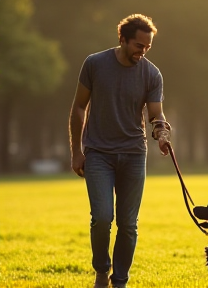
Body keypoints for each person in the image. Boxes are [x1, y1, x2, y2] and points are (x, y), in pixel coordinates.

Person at [68, 14, 171, 288]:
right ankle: (102, 270)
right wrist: (76, 151)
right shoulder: (94, 64)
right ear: (123, 40)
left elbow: (155, 114)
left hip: (134, 154)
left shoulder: (152, 73)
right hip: (98, 153)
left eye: (148, 47)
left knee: (128, 224)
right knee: (102, 218)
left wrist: (161, 134)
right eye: (139, 45)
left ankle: (120, 281)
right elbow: (79, 107)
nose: (143, 52)